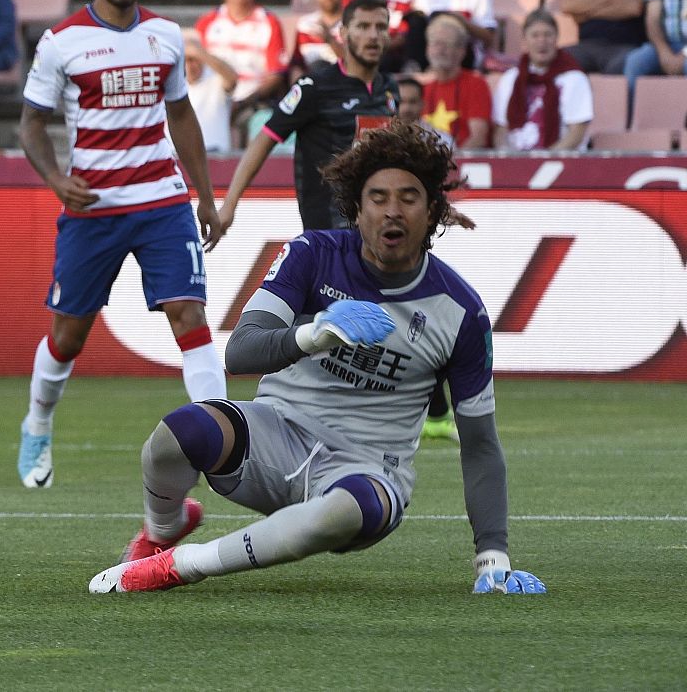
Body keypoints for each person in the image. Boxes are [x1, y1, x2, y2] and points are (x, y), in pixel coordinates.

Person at [89, 121, 545, 601]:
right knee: (175, 435)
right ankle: (163, 532)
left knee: (336, 515)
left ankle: (182, 566)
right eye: (378, 197)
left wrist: (493, 559)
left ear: (432, 210)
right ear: (357, 207)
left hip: (366, 472)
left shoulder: (461, 311)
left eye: (409, 198)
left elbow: (479, 444)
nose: (393, 211)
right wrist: (315, 334)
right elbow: (241, 350)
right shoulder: (312, 254)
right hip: (276, 433)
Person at [16, 0, 225, 490]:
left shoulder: (165, 35)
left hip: (163, 200)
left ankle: (225, 438)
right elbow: (31, 123)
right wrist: (58, 180)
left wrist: (206, 197)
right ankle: (37, 423)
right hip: (94, 208)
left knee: (190, 315)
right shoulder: (62, 42)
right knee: (69, 335)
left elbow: (181, 114)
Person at [218, 0, 398, 237]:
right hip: (329, 228)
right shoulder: (314, 86)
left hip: (378, 228)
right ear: (343, 34)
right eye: (363, 26)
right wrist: (229, 204)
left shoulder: (389, 88)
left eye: (381, 27)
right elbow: (265, 139)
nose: (373, 35)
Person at [195, 0, 289, 126]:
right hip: (212, 100)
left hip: (253, 103)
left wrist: (243, 103)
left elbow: (275, 76)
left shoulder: (269, 22)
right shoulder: (206, 22)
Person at [492, 10, 592, 151]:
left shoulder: (574, 78)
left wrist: (544, 163)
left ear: (556, 38)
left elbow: (576, 134)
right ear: (524, 41)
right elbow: (501, 130)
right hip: (515, 162)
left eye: (548, 35)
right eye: (535, 35)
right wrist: (509, 159)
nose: (542, 41)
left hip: (562, 163)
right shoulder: (510, 78)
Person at [420, 13, 492, 149]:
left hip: (462, 164)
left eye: (447, 44)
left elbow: (478, 138)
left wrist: (453, 164)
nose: (440, 50)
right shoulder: (423, 89)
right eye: (436, 43)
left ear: (461, 51)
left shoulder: (476, 84)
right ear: (427, 49)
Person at [184, 29, 236, 152]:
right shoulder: (171, 81)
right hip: (178, 156)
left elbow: (232, 78)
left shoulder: (216, 79)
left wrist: (198, 51)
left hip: (215, 154)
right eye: (185, 59)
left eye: (193, 59)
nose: (189, 65)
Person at [294, 0, 348, 68]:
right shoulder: (305, 24)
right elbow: (297, 64)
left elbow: (354, 63)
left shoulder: (353, 23)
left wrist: (329, 39)